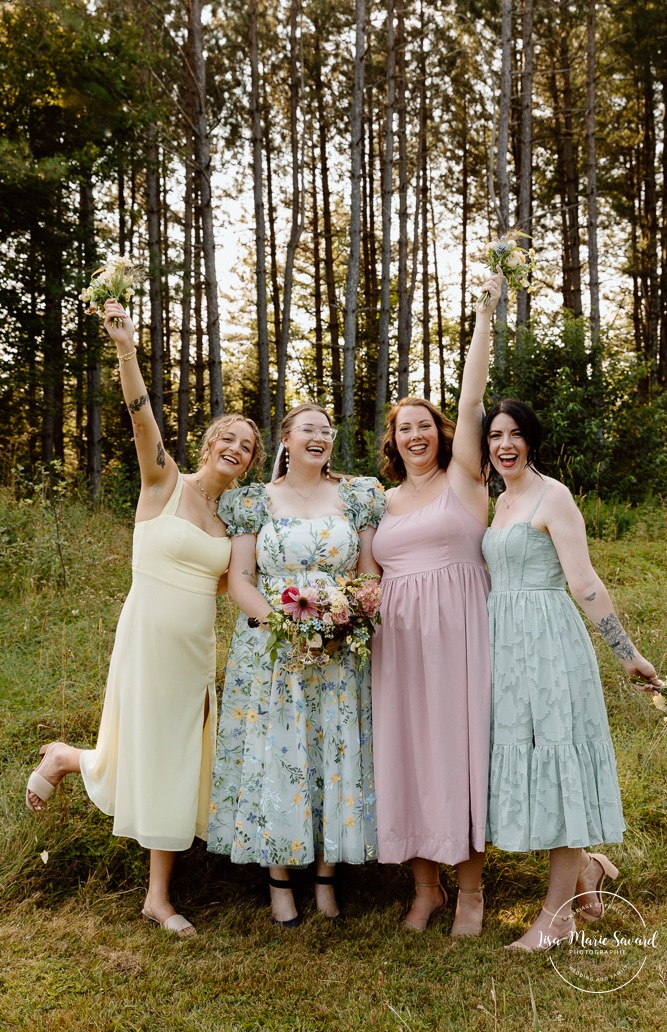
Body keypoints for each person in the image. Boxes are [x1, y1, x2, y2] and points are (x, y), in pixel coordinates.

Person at [25, 298, 264, 938]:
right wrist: (127, 350)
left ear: (250, 463)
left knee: (181, 756)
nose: (236, 449)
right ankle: (156, 896)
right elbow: (141, 421)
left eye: (248, 446)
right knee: (160, 752)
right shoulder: (165, 483)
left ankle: (71, 760)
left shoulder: (232, 523)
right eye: (228, 439)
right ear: (210, 444)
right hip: (149, 636)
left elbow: (235, 585)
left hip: (195, 651)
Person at [481, 398, 660, 952]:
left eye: (514, 435)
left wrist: (626, 652)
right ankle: (590, 868)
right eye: (494, 436)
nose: (504, 445)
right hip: (504, 648)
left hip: (549, 645)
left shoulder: (551, 495)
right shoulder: (501, 500)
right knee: (530, 759)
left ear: (531, 441)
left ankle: (557, 919)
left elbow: (583, 581)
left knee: (557, 764)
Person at [207, 403, 385, 926]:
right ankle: (279, 880)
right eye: (308, 428)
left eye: (327, 431)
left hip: (338, 649)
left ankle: (328, 878)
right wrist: (285, 628)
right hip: (270, 648)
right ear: (286, 437)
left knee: (331, 749)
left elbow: (368, 571)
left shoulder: (358, 495)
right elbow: (241, 578)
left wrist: (343, 623)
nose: (319, 437)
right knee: (276, 752)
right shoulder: (251, 501)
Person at [370, 270, 504, 937]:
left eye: (424, 425)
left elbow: (474, 394)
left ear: (441, 433)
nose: (414, 436)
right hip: (395, 644)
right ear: (391, 442)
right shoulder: (380, 501)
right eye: (403, 430)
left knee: (458, 750)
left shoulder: (465, 478)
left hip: (458, 633)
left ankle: (472, 888)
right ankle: (424, 889)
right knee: (407, 753)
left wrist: (484, 313)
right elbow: (364, 572)